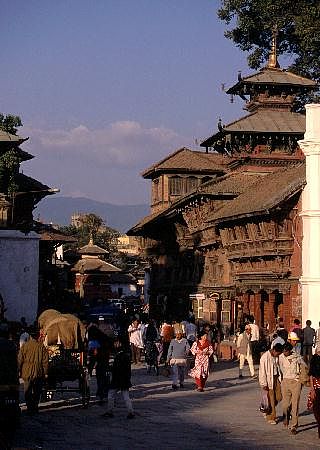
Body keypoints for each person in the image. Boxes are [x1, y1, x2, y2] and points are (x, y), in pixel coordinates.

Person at [18, 328, 48, 414]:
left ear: (30, 336)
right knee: (37, 391)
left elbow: (20, 359)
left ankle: (29, 407)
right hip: (38, 372)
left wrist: (18, 370)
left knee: (27, 391)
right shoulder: (41, 347)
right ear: (37, 336)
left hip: (26, 371)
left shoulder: (25, 346)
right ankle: (35, 407)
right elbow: (45, 361)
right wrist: (45, 373)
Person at [102, 337, 134, 419]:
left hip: (117, 379)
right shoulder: (126, 355)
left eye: (116, 343)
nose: (114, 344)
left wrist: (109, 368)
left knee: (111, 395)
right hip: (124, 379)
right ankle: (130, 412)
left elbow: (116, 368)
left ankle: (110, 411)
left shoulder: (119, 356)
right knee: (126, 397)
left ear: (119, 343)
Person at [279, 342, 307, 435]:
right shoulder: (281, 357)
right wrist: (281, 380)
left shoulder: (297, 357)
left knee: (295, 405)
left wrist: (301, 379)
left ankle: (294, 426)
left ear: (290, 350)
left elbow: (305, 367)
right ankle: (286, 416)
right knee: (285, 405)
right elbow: (279, 368)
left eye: (286, 351)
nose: (284, 352)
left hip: (295, 382)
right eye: (283, 350)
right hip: (285, 381)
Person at [258, 343, 283, 425]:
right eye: (278, 353)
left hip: (276, 378)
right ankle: (271, 417)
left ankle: (266, 408)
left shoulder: (277, 356)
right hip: (268, 381)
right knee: (271, 399)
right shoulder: (264, 357)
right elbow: (262, 372)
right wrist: (264, 384)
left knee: (279, 397)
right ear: (274, 350)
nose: (278, 355)